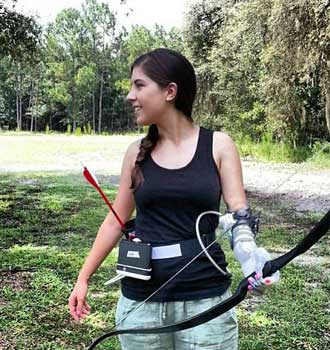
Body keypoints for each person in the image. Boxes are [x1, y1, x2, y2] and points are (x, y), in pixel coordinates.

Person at [68, 48, 279, 349]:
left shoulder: (218, 145)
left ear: (170, 91)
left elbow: (239, 214)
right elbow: (115, 221)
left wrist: (251, 260)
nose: (130, 95)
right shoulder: (135, 152)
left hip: (206, 301)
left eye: (139, 85)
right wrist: (83, 277)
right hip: (141, 303)